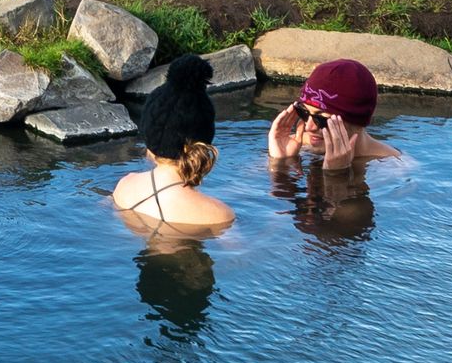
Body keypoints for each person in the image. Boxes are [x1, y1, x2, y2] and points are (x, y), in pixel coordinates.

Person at [113, 58, 235, 235]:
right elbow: (243, 258)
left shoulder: (124, 187)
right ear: (205, 140)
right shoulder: (218, 215)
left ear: (148, 135)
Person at [266, 56, 398, 170]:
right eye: (304, 113)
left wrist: (336, 175)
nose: (308, 127)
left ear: (356, 120)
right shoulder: (300, 144)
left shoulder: (392, 166)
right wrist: (280, 162)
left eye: (322, 118)